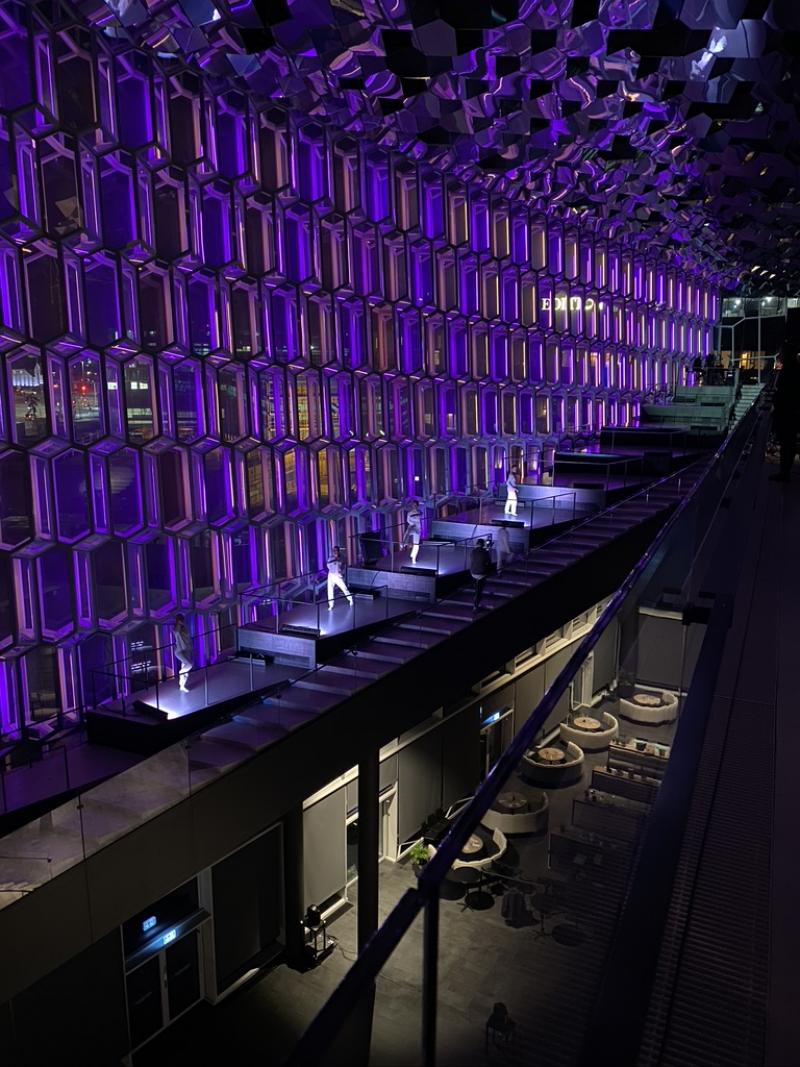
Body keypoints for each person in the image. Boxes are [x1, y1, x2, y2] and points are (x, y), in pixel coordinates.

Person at [771, 344, 800, 482]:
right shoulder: (793, 370)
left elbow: (784, 393)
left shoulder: (789, 372)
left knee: (787, 442)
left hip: (787, 413)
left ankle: (784, 472)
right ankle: (785, 470)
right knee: (788, 442)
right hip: (789, 412)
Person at [326, 545, 354, 610]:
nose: (334, 552)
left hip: (338, 576)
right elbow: (328, 565)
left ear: (338, 551)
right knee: (330, 590)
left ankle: (350, 599)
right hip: (331, 575)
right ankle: (331, 605)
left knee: (344, 588)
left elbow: (344, 566)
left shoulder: (342, 558)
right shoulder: (331, 558)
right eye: (333, 551)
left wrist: (342, 572)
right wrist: (334, 561)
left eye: (336, 551)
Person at [172, 614, 193, 692]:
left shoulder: (184, 628)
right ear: (178, 621)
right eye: (180, 621)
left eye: (182, 621)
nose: (182, 622)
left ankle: (182, 685)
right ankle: (180, 672)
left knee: (186, 670)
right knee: (188, 665)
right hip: (179, 651)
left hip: (186, 649)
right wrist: (178, 624)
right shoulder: (176, 629)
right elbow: (177, 632)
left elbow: (188, 638)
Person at [469, 538, 491, 611]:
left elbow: (472, 561)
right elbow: (488, 563)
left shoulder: (473, 552)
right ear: (483, 544)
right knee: (479, 590)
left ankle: (476, 598)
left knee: (477, 589)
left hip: (473, 573)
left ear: (477, 544)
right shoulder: (485, 552)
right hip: (482, 574)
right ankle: (476, 605)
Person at [403, 499, 422, 564]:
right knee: (408, 532)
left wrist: (415, 522)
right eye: (413, 505)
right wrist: (412, 524)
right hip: (411, 527)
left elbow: (418, 519)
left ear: (417, 506)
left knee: (416, 544)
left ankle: (413, 557)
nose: (414, 506)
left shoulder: (419, 512)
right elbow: (408, 520)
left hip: (417, 529)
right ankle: (403, 543)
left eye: (415, 505)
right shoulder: (409, 513)